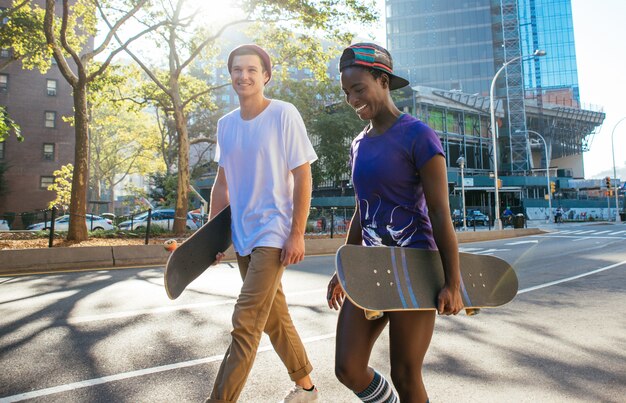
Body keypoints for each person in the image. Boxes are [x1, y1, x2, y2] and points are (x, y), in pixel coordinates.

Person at [326, 43, 464, 403]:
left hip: (414, 265)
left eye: (358, 88)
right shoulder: (358, 143)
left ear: (383, 80)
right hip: (371, 267)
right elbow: (362, 209)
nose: (352, 99)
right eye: (346, 92)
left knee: (405, 373)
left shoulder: (418, 135)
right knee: (348, 368)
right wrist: (346, 265)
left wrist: (453, 282)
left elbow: (439, 213)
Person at [208, 44, 319, 403]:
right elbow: (222, 183)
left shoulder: (283, 114)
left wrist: (296, 234)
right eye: (238, 70)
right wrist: (211, 238)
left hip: (274, 232)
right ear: (231, 76)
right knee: (272, 317)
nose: (244, 76)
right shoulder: (225, 125)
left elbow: (303, 175)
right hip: (242, 235)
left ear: (266, 76)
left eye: (252, 70)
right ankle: (306, 388)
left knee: (246, 323)